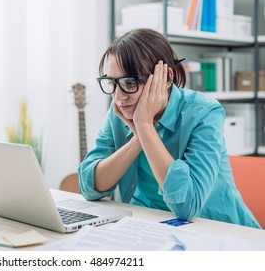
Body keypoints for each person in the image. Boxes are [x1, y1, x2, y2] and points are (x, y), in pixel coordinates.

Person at [78, 28, 261, 229]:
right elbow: (89, 187)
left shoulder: (204, 113)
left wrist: (145, 125)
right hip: (152, 227)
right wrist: (138, 137)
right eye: (111, 83)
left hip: (221, 232)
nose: (119, 97)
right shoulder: (121, 110)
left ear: (165, 79)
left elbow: (187, 207)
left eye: (130, 82)